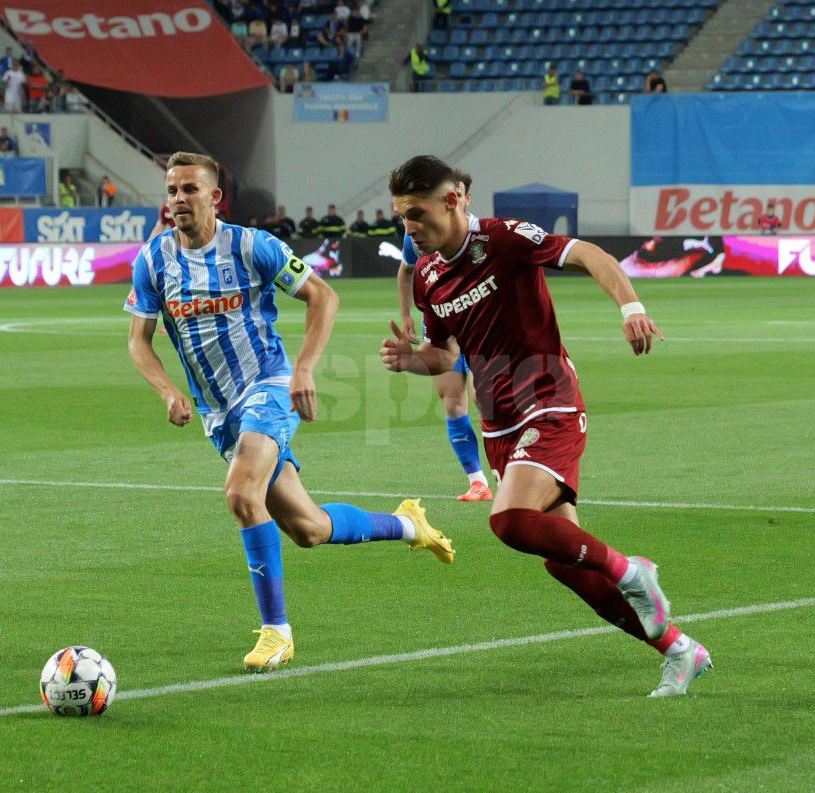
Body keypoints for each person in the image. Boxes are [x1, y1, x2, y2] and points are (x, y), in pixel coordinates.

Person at [381, 155, 711, 698]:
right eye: (402, 217)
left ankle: (633, 571)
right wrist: (410, 359)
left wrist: (631, 307)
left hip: (549, 401)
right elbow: (444, 357)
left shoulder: (505, 238)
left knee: (508, 521)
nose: (409, 228)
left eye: (416, 214)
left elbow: (590, 254)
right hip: (500, 424)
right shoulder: (427, 276)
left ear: (453, 201)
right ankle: (678, 648)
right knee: (566, 565)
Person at [125, 151, 454, 672]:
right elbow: (138, 340)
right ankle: (407, 525)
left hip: (269, 386)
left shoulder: (252, 245)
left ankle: (277, 632)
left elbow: (323, 296)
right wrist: (167, 390)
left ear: (214, 197)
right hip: (219, 413)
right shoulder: (153, 259)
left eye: (190, 189)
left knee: (240, 494)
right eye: (171, 190)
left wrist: (303, 370)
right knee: (309, 529)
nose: (178, 200)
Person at [395, 170, 490, 502]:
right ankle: (477, 481)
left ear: (465, 198)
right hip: (439, 330)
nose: (456, 197)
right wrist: (407, 313)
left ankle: (507, 470)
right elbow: (406, 270)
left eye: (461, 192)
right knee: (453, 403)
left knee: (486, 401)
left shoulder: (484, 237)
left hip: (480, 329)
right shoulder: (416, 236)